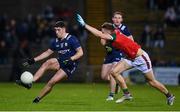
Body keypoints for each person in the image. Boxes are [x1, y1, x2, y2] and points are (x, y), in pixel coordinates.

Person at [76, 14, 175, 105]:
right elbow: (103, 36)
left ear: (108, 31)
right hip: (130, 58)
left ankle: (169, 96)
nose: (102, 32)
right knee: (114, 72)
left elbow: (99, 35)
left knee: (151, 81)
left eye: (103, 31)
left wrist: (85, 25)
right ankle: (127, 94)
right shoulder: (114, 33)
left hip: (141, 58)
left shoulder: (114, 35)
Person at [16, 21, 83, 103]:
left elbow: (80, 53)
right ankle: (30, 82)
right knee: (46, 63)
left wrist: (70, 59)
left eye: (58, 30)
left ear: (64, 29)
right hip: (61, 61)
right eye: (55, 30)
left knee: (52, 81)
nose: (56, 32)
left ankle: (38, 99)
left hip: (70, 65)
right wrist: (33, 60)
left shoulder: (72, 39)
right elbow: (47, 52)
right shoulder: (56, 41)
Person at [101, 11, 133, 101]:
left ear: (121, 20)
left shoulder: (124, 28)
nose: (117, 19)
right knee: (103, 76)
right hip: (109, 54)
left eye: (119, 18)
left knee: (112, 73)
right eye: (115, 17)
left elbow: (131, 41)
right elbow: (102, 41)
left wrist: (124, 47)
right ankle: (117, 82)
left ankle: (111, 95)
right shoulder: (109, 27)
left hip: (118, 53)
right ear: (112, 19)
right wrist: (107, 44)